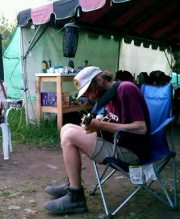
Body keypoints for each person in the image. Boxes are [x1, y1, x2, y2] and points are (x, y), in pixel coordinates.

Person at [43, 66, 151, 214]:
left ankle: (76, 197)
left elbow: (141, 128)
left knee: (69, 137)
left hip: (131, 151)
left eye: (88, 91)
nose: (88, 96)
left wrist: (103, 125)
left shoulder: (125, 89)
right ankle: (71, 184)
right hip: (116, 142)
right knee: (66, 128)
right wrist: (101, 120)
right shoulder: (108, 95)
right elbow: (116, 120)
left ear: (99, 80)